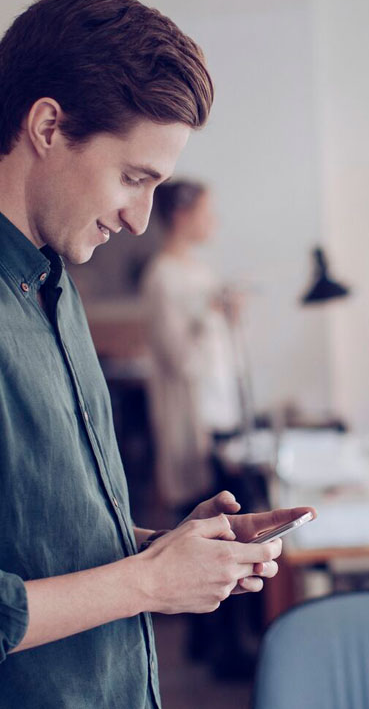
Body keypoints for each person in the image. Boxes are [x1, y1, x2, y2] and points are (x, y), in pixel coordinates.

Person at [0, 0, 312, 708]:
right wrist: (144, 583)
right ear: (47, 126)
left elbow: (29, 539)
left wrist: (160, 552)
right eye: (133, 178)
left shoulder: (49, 281)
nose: (140, 219)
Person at [140, 180, 243, 512]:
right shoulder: (161, 278)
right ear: (182, 216)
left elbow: (222, 352)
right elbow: (180, 360)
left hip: (222, 413)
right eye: (206, 212)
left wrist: (230, 317)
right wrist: (209, 315)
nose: (214, 221)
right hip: (191, 419)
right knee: (203, 513)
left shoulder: (202, 272)